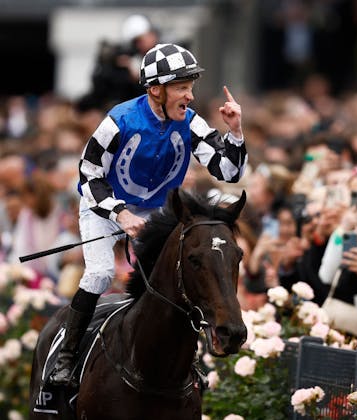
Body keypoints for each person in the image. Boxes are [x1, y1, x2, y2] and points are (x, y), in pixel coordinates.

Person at [48, 43, 247, 387]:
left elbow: (228, 172)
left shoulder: (191, 122)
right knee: (100, 274)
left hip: (156, 209)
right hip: (105, 203)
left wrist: (236, 132)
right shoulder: (119, 120)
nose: (190, 96)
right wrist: (121, 215)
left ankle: (187, 358)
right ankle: (66, 357)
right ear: (156, 90)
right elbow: (89, 177)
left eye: (190, 87)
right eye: (182, 87)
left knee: (177, 276)